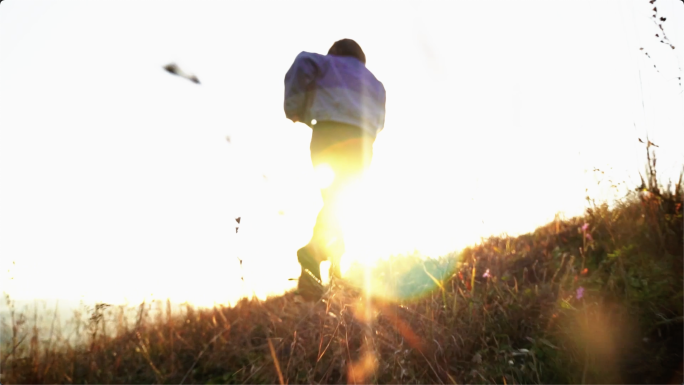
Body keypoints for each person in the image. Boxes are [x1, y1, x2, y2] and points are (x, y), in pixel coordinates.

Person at [284, 39, 386, 300]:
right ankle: (328, 266)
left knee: (334, 201)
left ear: (336, 52)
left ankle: (322, 264)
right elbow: (380, 122)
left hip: (327, 134)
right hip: (362, 143)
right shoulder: (375, 83)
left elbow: (304, 61)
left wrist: (295, 108)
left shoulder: (326, 62)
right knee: (340, 203)